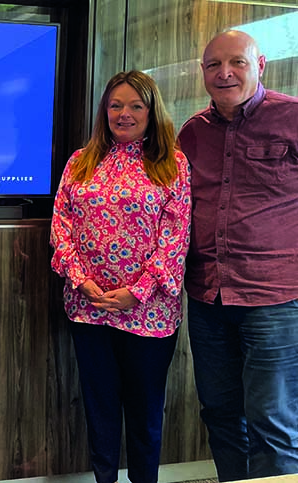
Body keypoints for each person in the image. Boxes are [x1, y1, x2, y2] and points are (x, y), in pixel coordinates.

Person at [50, 70, 191, 483]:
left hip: (149, 314)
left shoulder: (173, 164)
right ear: (104, 111)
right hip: (89, 309)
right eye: (115, 105)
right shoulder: (81, 161)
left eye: (135, 105)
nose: (123, 114)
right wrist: (80, 279)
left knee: (145, 411)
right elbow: (61, 227)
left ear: (151, 111)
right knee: (100, 408)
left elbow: (176, 237)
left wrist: (138, 291)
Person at [177, 30, 298, 481]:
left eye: (237, 63)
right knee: (221, 414)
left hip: (274, 299)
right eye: (213, 65)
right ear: (202, 71)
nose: (224, 73)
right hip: (208, 299)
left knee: (273, 421)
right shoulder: (192, 132)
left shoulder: (291, 118)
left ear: (260, 65)